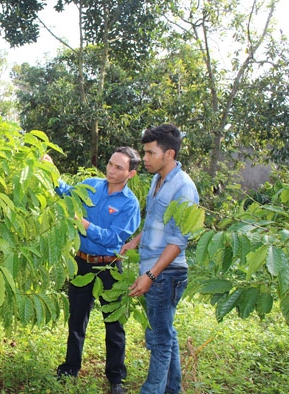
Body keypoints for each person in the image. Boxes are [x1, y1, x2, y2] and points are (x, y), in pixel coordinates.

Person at [48, 147, 142, 394]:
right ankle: (70, 368)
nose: (111, 170)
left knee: (114, 323)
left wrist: (87, 226)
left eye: (119, 167)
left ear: (130, 174)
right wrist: (50, 172)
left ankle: (116, 378)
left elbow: (114, 239)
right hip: (82, 262)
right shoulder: (90, 185)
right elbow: (67, 194)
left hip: (110, 265)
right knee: (77, 318)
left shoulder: (130, 205)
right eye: (110, 164)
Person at [121, 124, 199, 394]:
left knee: (159, 339)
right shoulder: (157, 180)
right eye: (145, 152)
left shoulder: (184, 187)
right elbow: (155, 221)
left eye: (150, 153)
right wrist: (135, 241)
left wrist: (151, 276)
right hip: (155, 270)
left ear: (169, 154)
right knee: (166, 333)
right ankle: (171, 389)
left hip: (166, 273)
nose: (145, 158)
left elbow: (178, 241)